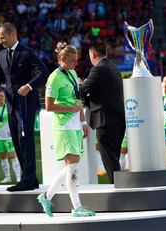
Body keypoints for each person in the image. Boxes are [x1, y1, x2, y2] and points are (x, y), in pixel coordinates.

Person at [0, 22, 48, 191]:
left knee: (26, 141)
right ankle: (30, 179)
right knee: (17, 142)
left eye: (2, 37)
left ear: (12, 34)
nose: (0, 41)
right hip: (11, 105)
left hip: (26, 104)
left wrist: (29, 86)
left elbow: (43, 72)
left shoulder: (27, 53)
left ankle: (27, 179)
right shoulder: (1, 55)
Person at [37, 42, 95, 217]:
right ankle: (76, 207)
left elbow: (78, 101)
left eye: (77, 60)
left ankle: (46, 197)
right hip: (63, 126)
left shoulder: (72, 73)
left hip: (74, 124)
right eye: (72, 61)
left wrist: (83, 122)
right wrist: (71, 110)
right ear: (62, 59)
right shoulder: (54, 78)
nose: (76, 64)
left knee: (72, 166)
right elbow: (48, 105)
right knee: (73, 167)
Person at [81, 40, 125, 183]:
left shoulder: (98, 69)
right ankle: (120, 189)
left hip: (105, 120)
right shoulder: (114, 67)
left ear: (93, 54)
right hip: (118, 119)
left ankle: (120, 193)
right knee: (114, 159)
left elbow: (82, 91)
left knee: (110, 161)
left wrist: (79, 84)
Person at [0, 89, 21, 184]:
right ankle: (7, 177)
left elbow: (16, 118)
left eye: (2, 96)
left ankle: (18, 178)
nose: (0, 98)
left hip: (9, 137)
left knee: (13, 156)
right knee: (3, 157)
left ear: (5, 97)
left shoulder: (9, 107)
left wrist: (14, 130)